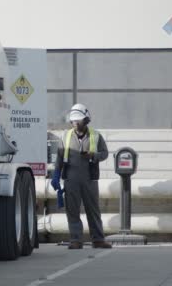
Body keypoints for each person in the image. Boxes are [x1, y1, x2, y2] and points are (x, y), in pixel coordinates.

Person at [51, 103, 112, 249]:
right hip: (70, 179)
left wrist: (94, 155)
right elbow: (59, 158)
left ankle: (98, 239)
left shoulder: (96, 136)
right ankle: (76, 240)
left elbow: (105, 153)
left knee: (93, 209)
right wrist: (56, 175)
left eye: (78, 121)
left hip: (89, 178)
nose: (75, 123)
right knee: (72, 210)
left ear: (86, 120)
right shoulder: (65, 136)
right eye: (73, 121)